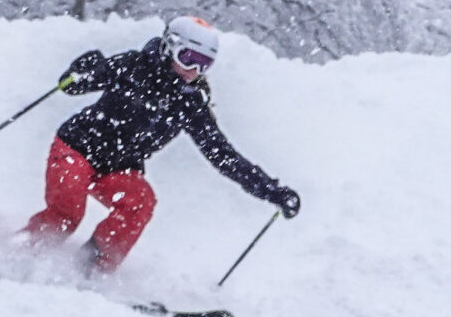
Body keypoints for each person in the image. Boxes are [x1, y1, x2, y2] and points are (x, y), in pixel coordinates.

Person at [22, 15, 301, 273]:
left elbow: (222, 155)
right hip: (77, 149)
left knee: (140, 202)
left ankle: (91, 267)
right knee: (68, 211)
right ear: (170, 47)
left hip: (118, 168)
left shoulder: (190, 103)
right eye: (188, 58)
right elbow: (72, 85)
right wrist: (81, 70)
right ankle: (26, 252)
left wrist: (271, 191)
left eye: (204, 64)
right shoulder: (134, 66)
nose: (193, 70)